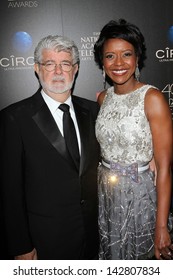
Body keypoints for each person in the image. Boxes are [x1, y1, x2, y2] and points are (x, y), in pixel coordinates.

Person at [0, 35, 100, 260]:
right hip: (44, 243)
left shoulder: (94, 111)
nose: (58, 71)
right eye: (49, 64)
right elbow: (9, 192)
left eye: (65, 64)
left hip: (93, 239)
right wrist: (21, 246)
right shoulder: (14, 118)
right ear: (37, 68)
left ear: (75, 69)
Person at [94, 19, 173, 260]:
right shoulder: (103, 98)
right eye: (110, 56)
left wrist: (161, 227)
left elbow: (164, 168)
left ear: (137, 57)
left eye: (126, 54)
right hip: (107, 194)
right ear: (102, 61)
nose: (118, 63)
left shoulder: (152, 98)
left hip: (140, 197)